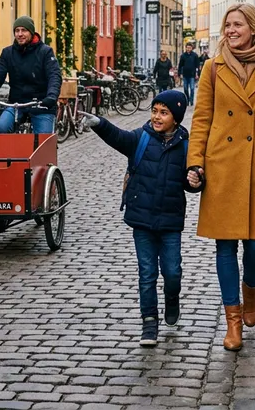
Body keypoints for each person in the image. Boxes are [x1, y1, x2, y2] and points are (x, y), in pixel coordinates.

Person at [187, 3, 255, 351]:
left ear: (253, 28)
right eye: (228, 25)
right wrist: (194, 163)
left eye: (237, 24)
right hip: (222, 166)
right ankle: (233, 321)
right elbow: (201, 119)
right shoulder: (213, 68)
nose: (231, 31)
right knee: (225, 246)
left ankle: (251, 289)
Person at [80, 90, 201, 347]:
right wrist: (99, 124)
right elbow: (118, 137)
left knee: (172, 272)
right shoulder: (141, 138)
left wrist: (196, 180)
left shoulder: (186, 147)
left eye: (164, 113)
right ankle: (149, 322)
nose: (157, 117)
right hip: (142, 218)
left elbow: (191, 181)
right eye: (154, 111)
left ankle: (172, 298)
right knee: (147, 273)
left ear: (176, 118)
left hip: (170, 221)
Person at [0, 16, 61, 133]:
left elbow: (54, 76)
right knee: (1, 128)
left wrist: (51, 97)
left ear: (31, 32)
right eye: (17, 30)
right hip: (16, 104)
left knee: (43, 138)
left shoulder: (45, 52)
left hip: (41, 105)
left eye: (24, 30)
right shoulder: (8, 53)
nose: (20, 34)